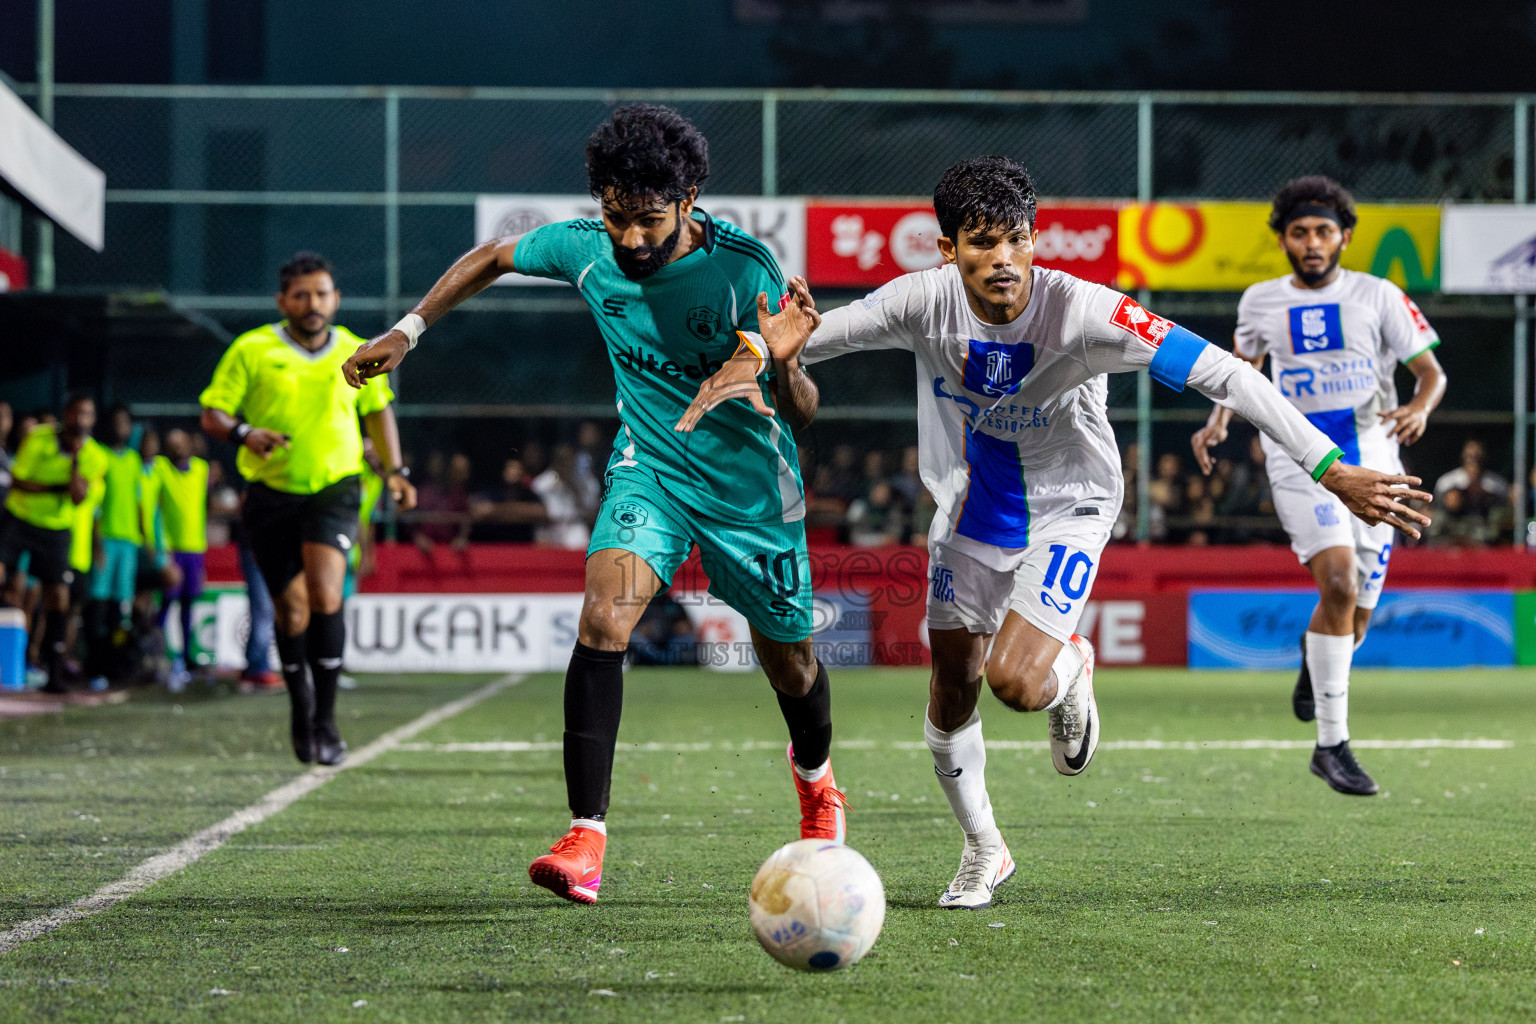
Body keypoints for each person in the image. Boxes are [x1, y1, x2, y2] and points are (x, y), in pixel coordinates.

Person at [680, 156, 1433, 909]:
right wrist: (749, 358)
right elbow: (809, 338)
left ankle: (1070, 665)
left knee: (1016, 684)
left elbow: (1231, 376)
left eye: (1015, 241)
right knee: (950, 685)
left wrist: (1330, 468)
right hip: (976, 502)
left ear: (1036, 240)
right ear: (948, 251)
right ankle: (984, 850)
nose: (1002, 260)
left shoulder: (1086, 312)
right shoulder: (919, 301)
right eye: (980, 243)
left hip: (1072, 499)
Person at [342, 103, 844, 906]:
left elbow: (805, 408)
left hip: (751, 488)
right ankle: (585, 837)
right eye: (618, 219)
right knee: (604, 621)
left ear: (689, 201)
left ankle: (818, 785)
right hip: (651, 469)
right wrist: (408, 331)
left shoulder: (747, 270)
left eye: (649, 221)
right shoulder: (585, 247)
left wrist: (784, 367)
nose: (632, 240)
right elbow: (494, 255)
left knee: (790, 660)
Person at [1192, 176, 1447, 797]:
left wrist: (1420, 407)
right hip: (1299, 458)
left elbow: (1431, 372)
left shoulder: (1378, 294)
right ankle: (1332, 746)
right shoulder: (1258, 301)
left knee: (1354, 621)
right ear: (1283, 239)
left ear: (1344, 237)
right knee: (1337, 582)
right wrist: (1218, 418)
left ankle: (1316, 657)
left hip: (1376, 460)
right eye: (1300, 232)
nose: (1312, 243)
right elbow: (1241, 372)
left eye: (1324, 232)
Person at [200, 252, 416, 766]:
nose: (312, 303)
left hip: (334, 489)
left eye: (321, 293)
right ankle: (302, 713)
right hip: (271, 495)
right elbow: (212, 412)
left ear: (335, 299)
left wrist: (397, 473)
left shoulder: (355, 350)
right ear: (283, 301)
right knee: (290, 608)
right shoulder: (252, 349)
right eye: (301, 294)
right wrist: (245, 433)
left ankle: (327, 720)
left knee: (325, 593)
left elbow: (378, 412)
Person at [0, 395, 110, 693]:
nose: (80, 419)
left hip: (57, 530)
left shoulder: (96, 456)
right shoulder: (38, 439)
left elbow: (78, 497)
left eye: (87, 414)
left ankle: (54, 673)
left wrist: (74, 459)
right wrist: (53, 487)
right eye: (76, 413)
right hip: (20, 518)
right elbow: (18, 480)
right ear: (66, 414)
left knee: (58, 598)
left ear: (93, 420)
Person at [153, 428, 211, 691]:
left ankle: (187, 657)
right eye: (171, 443)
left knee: (189, 606)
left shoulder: (201, 469)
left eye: (181, 442)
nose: (177, 447)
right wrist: (161, 552)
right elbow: (154, 509)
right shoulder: (161, 469)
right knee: (166, 603)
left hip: (195, 549)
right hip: (171, 549)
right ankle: (157, 658)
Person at [1431, 439, 1509, 545]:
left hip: (1482, 529)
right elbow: (1439, 508)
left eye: (1477, 457)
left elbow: (1502, 510)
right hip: (1453, 527)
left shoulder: (1497, 484)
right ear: (1463, 457)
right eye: (1470, 456)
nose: (1473, 460)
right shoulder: (1446, 481)